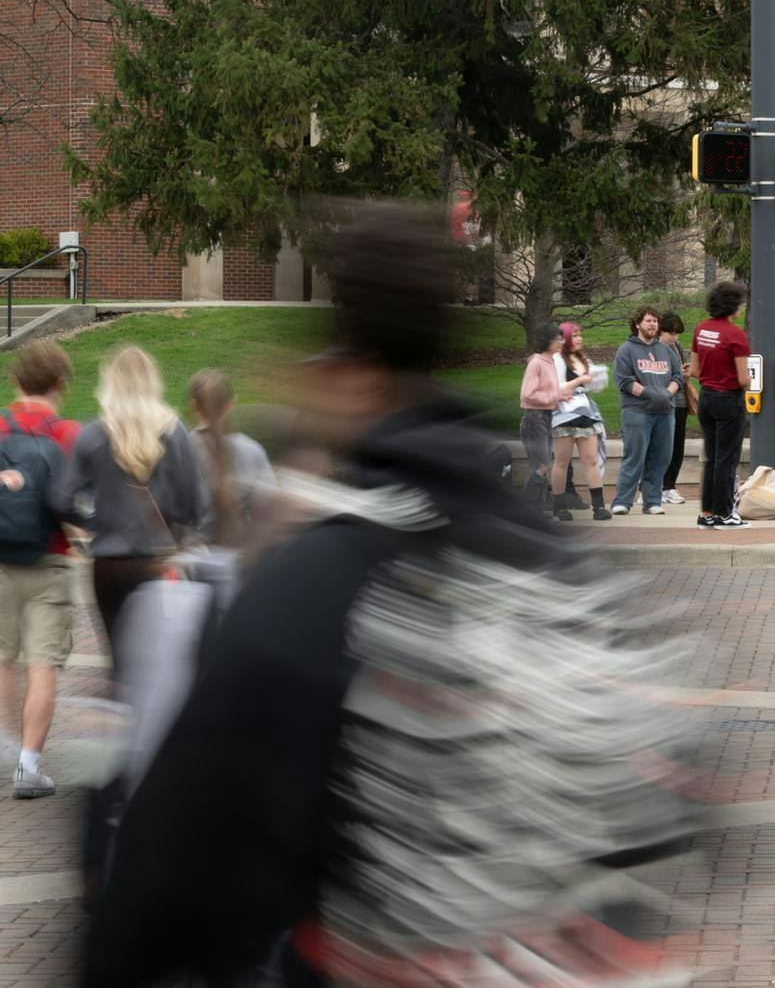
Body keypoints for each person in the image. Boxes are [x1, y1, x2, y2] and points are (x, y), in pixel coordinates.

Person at [83, 204, 704, 987]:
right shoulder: (574, 568)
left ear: (354, 370)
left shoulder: (323, 585)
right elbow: (669, 794)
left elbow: (172, 866)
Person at [58, 345, 211, 656]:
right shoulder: (174, 431)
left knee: (119, 661)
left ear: (110, 382)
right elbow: (196, 504)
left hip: (108, 564)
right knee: (157, 660)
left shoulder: (93, 434)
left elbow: (61, 498)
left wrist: (93, 523)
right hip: (156, 561)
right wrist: (176, 528)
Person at [0, 341, 78, 800]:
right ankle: (28, 768)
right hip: (50, 558)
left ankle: (4, 747)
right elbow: (75, 502)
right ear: (61, 384)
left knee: (1, 659)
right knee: (42, 664)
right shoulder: (68, 432)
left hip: (0, 558)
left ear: (16, 380)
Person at [187, 369, 276, 548]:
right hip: (237, 553)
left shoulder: (181, 449)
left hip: (190, 554)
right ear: (230, 404)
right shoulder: (252, 450)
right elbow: (268, 511)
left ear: (194, 406)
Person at [692, 281, 752, 529]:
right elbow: (743, 378)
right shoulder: (736, 334)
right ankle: (725, 514)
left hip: (706, 398)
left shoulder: (700, 329)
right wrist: (750, 382)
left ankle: (707, 513)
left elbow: (694, 370)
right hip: (729, 399)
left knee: (712, 458)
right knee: (727, 458)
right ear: (732, 305)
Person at [612, 307, 681, 516]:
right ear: (637, 324)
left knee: (660, 458)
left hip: (665, 413)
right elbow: (625, 382)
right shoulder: (626, 350)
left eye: (655, 321)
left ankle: (652, 501)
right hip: (637, 411)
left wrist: (667, 394)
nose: (653, 325)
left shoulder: (667, 350)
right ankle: (622, 501)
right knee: (634, 456)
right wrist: (652, 395)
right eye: (648, 321)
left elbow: (678, 377)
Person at [518, 323, 589, 515]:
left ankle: (535, 511)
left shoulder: (549, 362)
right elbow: (527, 395)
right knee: (542, 467)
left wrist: (560, 396)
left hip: (546, 417)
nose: (562, 342)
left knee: (545, 467)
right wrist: (554, 397)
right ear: (547, 341)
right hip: (534, 419)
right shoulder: (537, 362)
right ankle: (525, 511)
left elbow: (547, 392)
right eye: (558, 338)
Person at [549, 322, 611, 522]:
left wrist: (598, 376)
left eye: (580, 335)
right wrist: (580, 380)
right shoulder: (557, 359)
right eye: (574, 335)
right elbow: (557, 388)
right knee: (561, 462)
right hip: (563, 414)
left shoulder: (583, 359)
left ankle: (599, 507)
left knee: (591, 459)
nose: (579, 339)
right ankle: (559, 506)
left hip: (585, 414)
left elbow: (595, 387)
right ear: (565, 338)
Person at [660, 312, 691, 505]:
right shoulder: (657, 347)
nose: (675, 337)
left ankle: (669, 486)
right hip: (665, 401)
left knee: (677, 447)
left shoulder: (675, 346)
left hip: (680, 401)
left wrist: (686, 372)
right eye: (672, 333)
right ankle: (655, 486)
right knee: (662, 447)